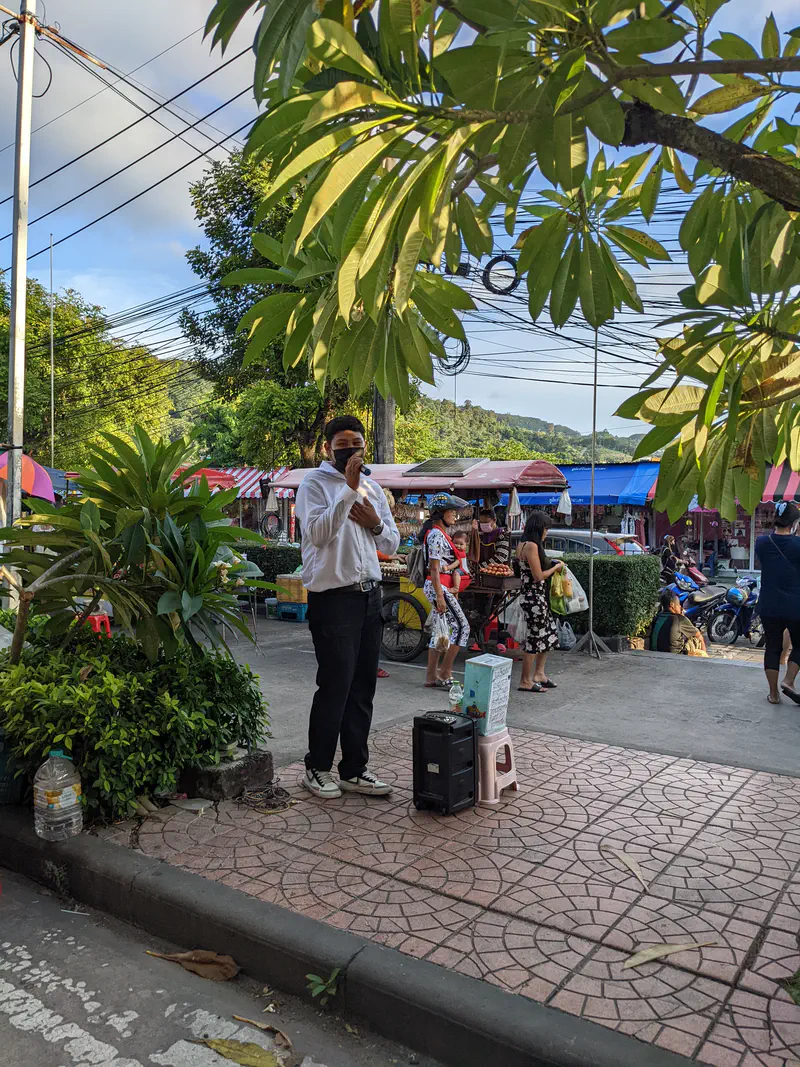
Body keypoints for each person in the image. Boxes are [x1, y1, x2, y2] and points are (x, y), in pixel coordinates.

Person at [295, 415, 400, 799]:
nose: (350, 451)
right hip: (333, 599)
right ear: (328, 449)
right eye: (342, 445)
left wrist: (373, 521)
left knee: (362, 687)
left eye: (356, 443)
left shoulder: (373, 487)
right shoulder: (313, 484)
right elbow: (318, 535)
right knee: (335, 685)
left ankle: (354, 769)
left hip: (370, 596)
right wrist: (348, 491)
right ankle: (317, 767)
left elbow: (391, 544)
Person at [420, 493, 471, 688]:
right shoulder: (435, 535)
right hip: (438, 586)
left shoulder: (440, 534)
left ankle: (431, 677)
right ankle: (445, 672)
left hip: (439, 585)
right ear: (440, 513)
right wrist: (440, 596)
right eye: (451, 512)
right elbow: (433, 567)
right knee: (462, 627)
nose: (454, 516)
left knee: (439, 631)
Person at [755, 500, 800, 705]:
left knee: (772, 648)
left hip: (769, 604)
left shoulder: (762, 543)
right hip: (795, 606)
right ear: (794, 522)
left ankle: (773, 695)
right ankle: (789, 681)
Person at [516, 511, 562, 693]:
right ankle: (525, 680)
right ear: (538, 528)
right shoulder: (531, 546)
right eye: (546, 528)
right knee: (535, 639)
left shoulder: (523, 544)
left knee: (548, 634)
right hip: (534, 597)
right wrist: (556, 568)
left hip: (535, 596)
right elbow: (537, 576)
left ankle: (539, 674)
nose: (547, 532)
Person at [650, 590, 708, 656]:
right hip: (675, 656)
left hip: (655, 653)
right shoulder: (680, 619)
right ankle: (704, 660)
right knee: (698, 639)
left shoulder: (657, 617)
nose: (681, 607)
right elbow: (698, 635)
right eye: (679, 604)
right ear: (672, 605)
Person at [445, 529, 472, 597]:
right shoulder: (455, 552)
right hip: (458, 569)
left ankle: (456, 588)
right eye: (455, 543)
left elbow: (457, 563)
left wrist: (448, 567)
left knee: (456, 573)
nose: (458, 546)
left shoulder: (461, 553)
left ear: (465, 546)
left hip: (463, 569)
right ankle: (456, 595)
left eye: (461, 544)